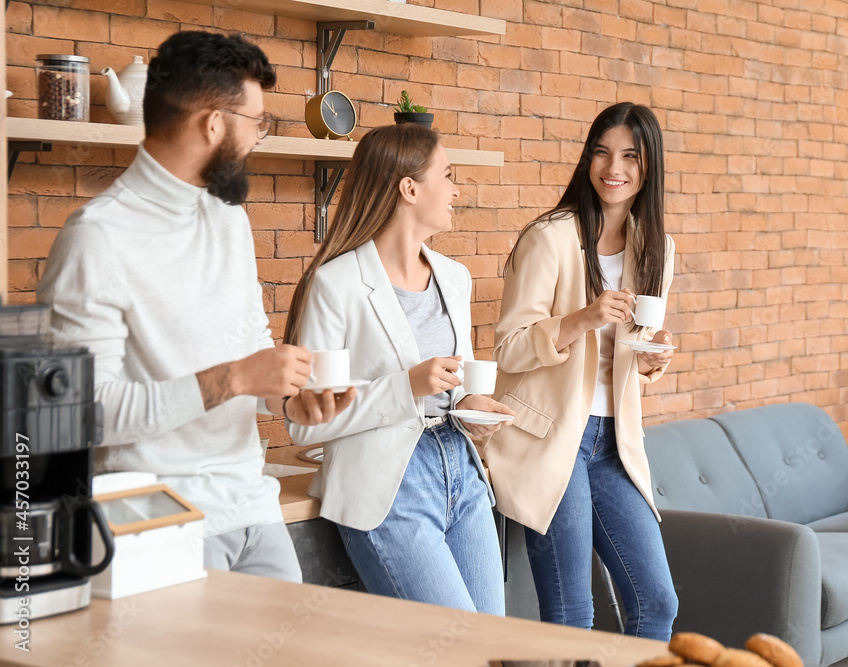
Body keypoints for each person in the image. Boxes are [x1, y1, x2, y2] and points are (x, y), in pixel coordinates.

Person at [37, 31, 354, 582]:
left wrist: (287, 400)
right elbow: (84, 416)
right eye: (257, 122)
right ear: (213, 124)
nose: (259, 138)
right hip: (155, 520)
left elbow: (246, 357)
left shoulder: (227, 219)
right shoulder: (97, 239)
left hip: (252, 505)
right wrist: (235, 378)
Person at [282, 123, 513, 615]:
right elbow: (304, 423)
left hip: (462, 472)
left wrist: (470, 404)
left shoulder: (455, 277)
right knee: (456, 653)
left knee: (494, 641)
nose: (455, 190)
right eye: (447, 176)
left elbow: (454, 379)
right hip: (390, 487)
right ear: (409, 188)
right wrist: (405, 387)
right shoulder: (336, 283)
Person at [483, 102, 679, 638]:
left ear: (649, 167)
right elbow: (511, 349)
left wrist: (653, 359)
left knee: (656, 601)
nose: (613, 167)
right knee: (572, 615)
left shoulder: (656, 249)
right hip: (554, 441)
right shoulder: (549, 237)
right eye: (601, 152)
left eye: (629, 156)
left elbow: (629, 361)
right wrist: (580, 320)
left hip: (614, 444)